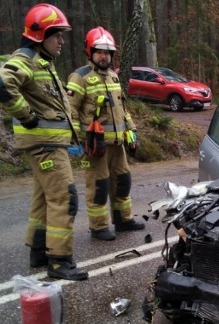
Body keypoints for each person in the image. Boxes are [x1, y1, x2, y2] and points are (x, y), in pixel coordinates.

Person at [0, 3, 88, 281]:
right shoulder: (26, 58)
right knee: (64, 198)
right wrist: (27, 116)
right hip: (44, 145)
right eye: (56, 34)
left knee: (44, 198)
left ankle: (38, 251)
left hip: (48, 144)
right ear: (40, 34)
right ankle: (59, 261)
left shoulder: (42, 61)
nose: (61, 40)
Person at [66, 27, 145, 241]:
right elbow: (70, 110)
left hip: (117, 145)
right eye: (100, 51)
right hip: (95, 145)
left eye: (108, 52)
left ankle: (123, 220)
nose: (104, 56)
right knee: (99, 186)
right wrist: (76, 141)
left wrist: (132, 131)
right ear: (90, 51)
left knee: (123, 181)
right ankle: (99, 227)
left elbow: (122, 110)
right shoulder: (80, 77)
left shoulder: (113, 77)